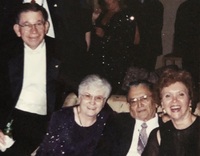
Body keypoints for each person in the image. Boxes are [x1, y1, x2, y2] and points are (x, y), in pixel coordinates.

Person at [0, 3, 61, 155]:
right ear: (17, 30)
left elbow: (80, 86)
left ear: (46, 26)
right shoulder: (5, 52)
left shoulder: (61, 52)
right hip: (10, 117)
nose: (33, 31)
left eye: (38, 24)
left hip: (46, 121)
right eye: (26, 25)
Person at [36, 74, 113, 156]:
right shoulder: (61, 117)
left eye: (98, 98)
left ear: (104, 102)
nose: (92, 102)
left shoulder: (106, 123)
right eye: (87, 96)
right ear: (80, 97)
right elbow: (45, 150)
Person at [94, 80, 163, 156]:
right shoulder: (117, 123)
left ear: (155, 101)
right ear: (129, 106)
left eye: (144, 98)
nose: (139, 105)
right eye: (133, 101)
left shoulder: (167, 126)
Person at [142, 68, 200, 156]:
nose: (174, 100)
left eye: (181, 94)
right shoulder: (159, 135)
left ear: (190, 100)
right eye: (168, 96)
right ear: (162, 104)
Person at [89, 0, 139, 94]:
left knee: (113, 89)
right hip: (101, 59)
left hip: (116, 61)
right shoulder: (103, 13)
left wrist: (105, 36)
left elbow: (127, 41)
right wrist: (93, 20)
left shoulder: (126, 14)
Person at [172, 0, 200, 107]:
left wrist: (179, 50)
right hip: (191, 51)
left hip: (189, 51)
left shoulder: (184, 6)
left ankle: (192, 106)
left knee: (191, 82)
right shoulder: (185, 7)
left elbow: (178, 31)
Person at [125, 0, 163, 71]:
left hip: (149, 46)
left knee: (147, 72)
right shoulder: (127, 3)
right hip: (132, 46)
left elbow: (155, 27)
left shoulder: (156, 4)